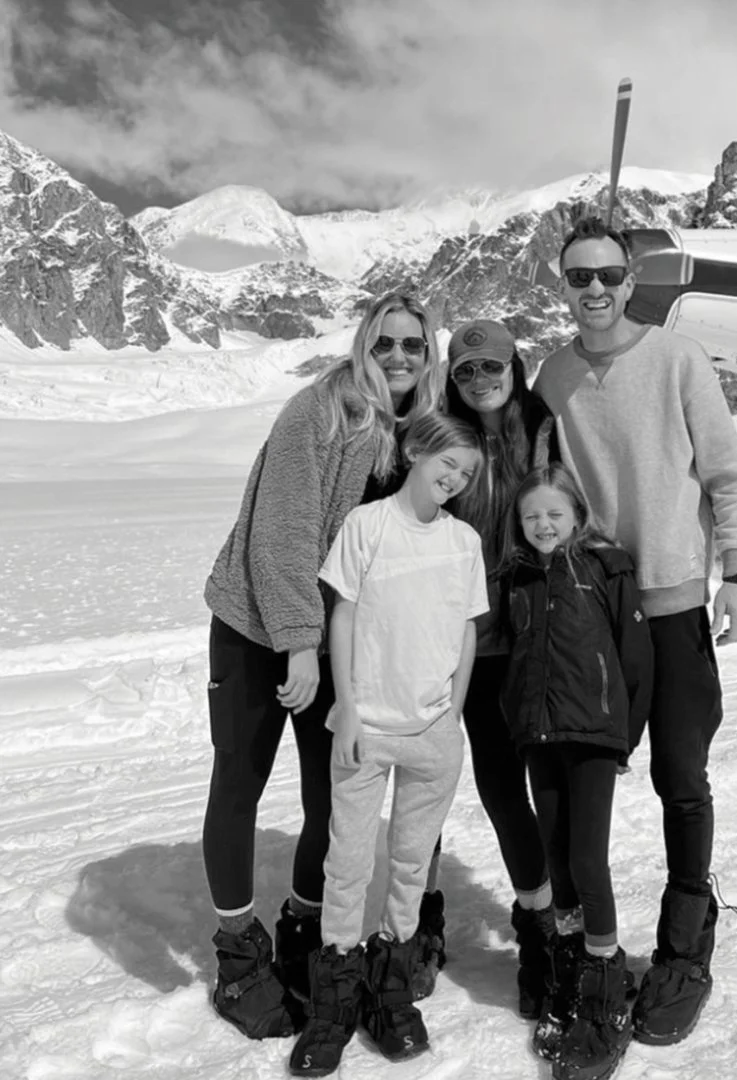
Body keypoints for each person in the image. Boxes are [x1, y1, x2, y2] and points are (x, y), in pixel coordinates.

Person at [532, 216, 737, 1047]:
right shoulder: (554, 377)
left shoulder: (676, 358)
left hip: (673, 605)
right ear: (564, 285)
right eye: (578, 277)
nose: (594, 290)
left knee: (680, 773)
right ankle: (584, 945)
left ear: (632, 281)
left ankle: (686, 939)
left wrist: (734, 570)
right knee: (588, 781)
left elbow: (727, 470)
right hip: (599, 611)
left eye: (607, 276)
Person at [200, 292, 442, 1040]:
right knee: (240, 778)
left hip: (329, 636)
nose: (398, 357)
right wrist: (299, 643)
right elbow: (281, 534)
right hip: (254, 626)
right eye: (385, 344)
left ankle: (303, 929)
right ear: (363, 345)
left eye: (412, 346)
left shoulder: (409, 432)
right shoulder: (319, 410)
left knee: (329, 798)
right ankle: (240, 959)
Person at [288, 413, 488, 1077]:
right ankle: (335, 1000)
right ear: (414, 451)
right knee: (347, 864)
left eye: (465, 474)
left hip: (432, 735)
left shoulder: (463, 541)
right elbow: (341, 615)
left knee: (409, 866)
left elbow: (464, 628)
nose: (454, 479)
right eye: (447, 464)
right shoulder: (368, 525)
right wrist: (344, 708)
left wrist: (452, 712)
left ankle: (390, 987)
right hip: (365, 728)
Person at [496, 463, 653, 1080]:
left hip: (592, 737)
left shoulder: (605, 569)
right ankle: (569, 962)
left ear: (577, 517)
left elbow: (634, 659)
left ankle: (605, 983)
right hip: (541, 738)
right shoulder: (519, 577)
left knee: (588, 860)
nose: (542, 525)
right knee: (557, 857)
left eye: (554, 515)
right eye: (531, 516)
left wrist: (624, 735)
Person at [444, 318, 558, 1019]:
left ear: (514, 367)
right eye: (466, 370)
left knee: (545, 783)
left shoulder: (543, 427)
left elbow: (564, 511)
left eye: (492, 366)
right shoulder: (440, 438)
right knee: (490, 783)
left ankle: (550, 928)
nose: (481, 379)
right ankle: (525, 916)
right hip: (465, 639)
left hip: (534, 632)